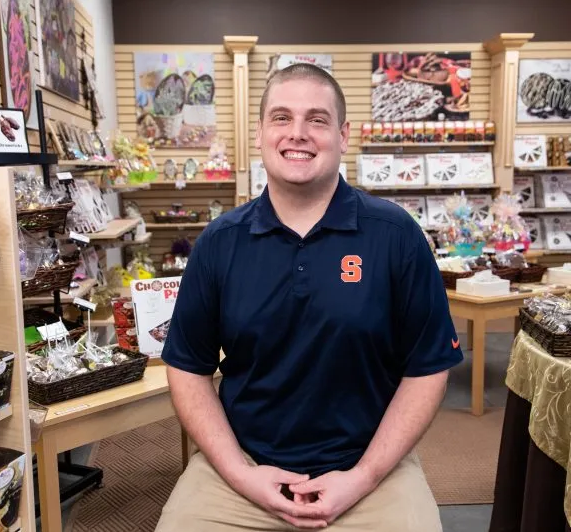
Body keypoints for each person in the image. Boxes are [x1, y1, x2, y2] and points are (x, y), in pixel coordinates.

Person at [155, 63, 463, 532]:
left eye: (316, 120)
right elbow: (188, 368)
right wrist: (242, 474)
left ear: (343, 135)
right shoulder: (219, 242)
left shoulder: (395, 235)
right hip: (242, 469)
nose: (297, 134)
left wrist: (363, 477)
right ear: (259, 132)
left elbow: (428, 369)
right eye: (282, 118)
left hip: (369, 470)